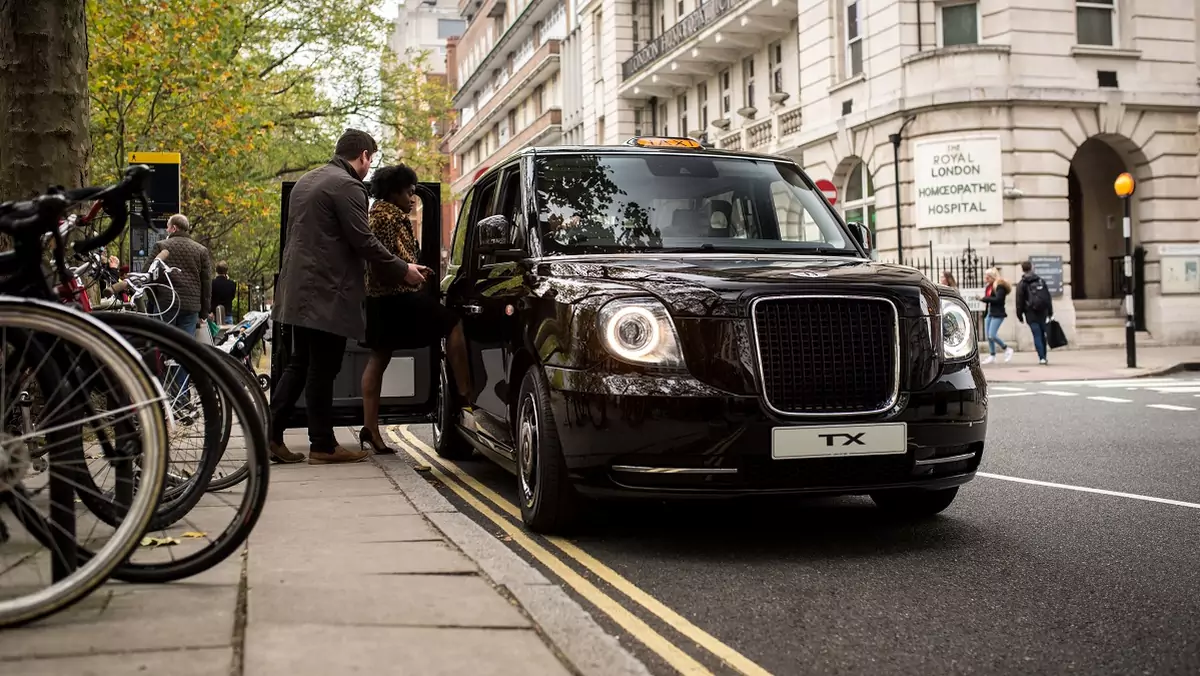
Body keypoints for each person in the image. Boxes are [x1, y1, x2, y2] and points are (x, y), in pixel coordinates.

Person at [271, 129, 431, 466]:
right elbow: (364, 242)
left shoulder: (307, 181)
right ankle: (323, 446)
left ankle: (270, 436)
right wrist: (404, 269)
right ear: (364, 156)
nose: (368, 168)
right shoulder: (348, 186)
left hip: (297, 287)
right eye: (369, 161)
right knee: (323, 367)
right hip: (327, 290)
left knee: (299, 363)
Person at [358, 164, 474, 455]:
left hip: (380, 299)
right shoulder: (387, 217)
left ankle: (370, 428)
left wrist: (412, 267)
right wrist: (408, 274)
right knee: (453, 323)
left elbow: (390, 258)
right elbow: (382, 264)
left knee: (379, 358)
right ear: (393, 192)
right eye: (408, 192)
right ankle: (465, 394)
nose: (412, 199)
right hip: (396, 298)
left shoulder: (381, 214)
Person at [151, 214, 212, 339]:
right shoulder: (201, 250)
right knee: (185, 347)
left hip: (166, 302)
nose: (166, 230)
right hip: (191, 306)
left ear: (174, 228)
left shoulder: (161, 246)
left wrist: (155, 299)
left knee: (163, 343)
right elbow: (206, 284)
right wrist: (204, 312)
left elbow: (148, 273)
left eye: (167, 227)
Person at [1015, 259, 1055, 365]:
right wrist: (1050, 312)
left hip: (1030, 313)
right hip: (1043, 312)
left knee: (1036, 335)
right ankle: (1044, 356)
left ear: (1023, 269)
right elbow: (1048, 298)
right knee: (1043, 334)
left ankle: (1041, 357)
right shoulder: (1040, 280)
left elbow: (1019, 301)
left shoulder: (1022, 284)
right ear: (1032, 268)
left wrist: (1019, 315)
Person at [979, 267, 1013, 364]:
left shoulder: (999, 286)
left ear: (992, 277)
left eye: (987, 277)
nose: (985, 278)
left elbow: (999, 299)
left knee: (992, 335)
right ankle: (992, 355)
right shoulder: (988, 286)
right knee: (989, 336)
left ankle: (1007, 349)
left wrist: (985, 298)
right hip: (989, 312)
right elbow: (989, 300)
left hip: (998, 313)